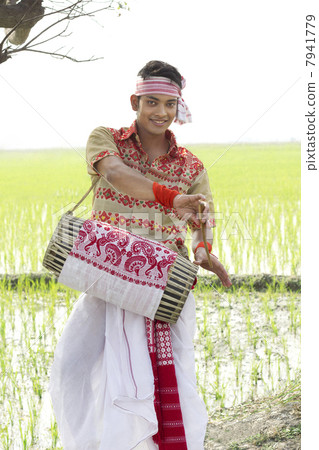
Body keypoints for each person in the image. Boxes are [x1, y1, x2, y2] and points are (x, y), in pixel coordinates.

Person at [49, 60, 231, 450]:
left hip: (162, 288)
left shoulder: (191, 166)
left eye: (169, 104)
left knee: (173, 379)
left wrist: (202, 251)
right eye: (151, 102)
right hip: (109, 277)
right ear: (135, 101)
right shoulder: (106, 140)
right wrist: (171, 197)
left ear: (178, 108)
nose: (160, 112)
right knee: (74, 367)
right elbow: (114, 174)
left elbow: (201, 218)